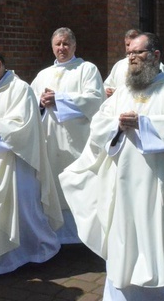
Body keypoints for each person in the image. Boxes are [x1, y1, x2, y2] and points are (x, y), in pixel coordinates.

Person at [60, 33, 164, 301]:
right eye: (129, 54)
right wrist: (118, 125)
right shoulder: (123, 92)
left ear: (156, 55)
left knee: (161, 236)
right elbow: (99, 123)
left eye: (138, 53)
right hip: (121, 180)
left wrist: (144, 124)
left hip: (157, 182)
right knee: (122, 234)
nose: (132, 58)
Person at [0, 47, 62, 277]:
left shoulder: (21, 89)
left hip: (14, 161)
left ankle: (37, 250)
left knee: (22, 210)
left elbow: (25, 125)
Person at [31, 27, 105, 244]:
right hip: (50, 140)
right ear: (52, 47)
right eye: (58, 44)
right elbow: (29, 104)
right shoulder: (42, 75)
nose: (61, 48)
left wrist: (60, 99)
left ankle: (81, 236)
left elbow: (95, 100)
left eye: (66, 44)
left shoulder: (86, 69)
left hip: (76, 141)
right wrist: (41, 103)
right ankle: (54, 234)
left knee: (77, 183)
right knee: (52, 184)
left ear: (74, 46)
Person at [103, 29, 164, 97]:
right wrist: (109, 90)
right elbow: (107, 85)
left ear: (156, 56)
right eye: (127, 45)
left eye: (138, 52)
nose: (131, 57)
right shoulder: (119, 65)